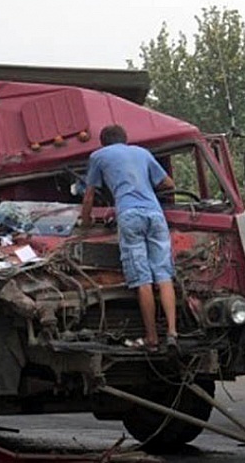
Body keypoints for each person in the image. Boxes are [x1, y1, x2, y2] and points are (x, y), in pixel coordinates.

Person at [81, 124, 178, 353]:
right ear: (125, 139)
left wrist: (85, 223)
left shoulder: (98, 156)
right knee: (164, 275)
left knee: (142, 279)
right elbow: (169, 184)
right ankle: (173, 333)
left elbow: (89, 196)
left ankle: (152, 338)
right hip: (155, 215)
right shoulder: (142, 152)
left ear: (103, 142)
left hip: (130, 215)